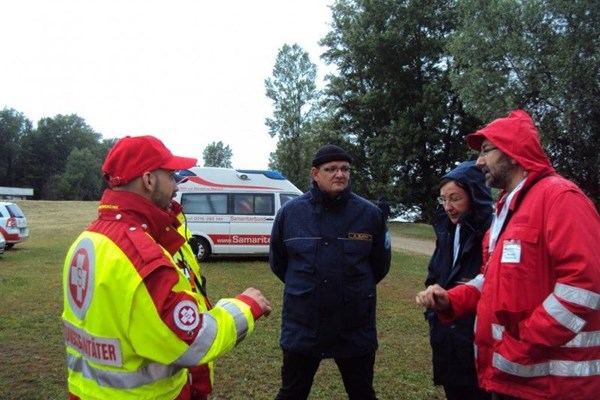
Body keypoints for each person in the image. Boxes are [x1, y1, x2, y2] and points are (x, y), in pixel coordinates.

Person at [62, 135, 272, 400]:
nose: (176, 186)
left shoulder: (88, 239)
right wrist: (246, 307)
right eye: (171, 176)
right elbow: (192, 341)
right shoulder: (140, 255)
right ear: (149, 180)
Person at [416, 110, 600, 400]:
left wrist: (524, 342)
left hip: (554, 384)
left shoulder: (560, 198)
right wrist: (452, 299)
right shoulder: (507, 210)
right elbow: (490, 280)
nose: (478, 161)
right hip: (513, 378)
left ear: (514, 153)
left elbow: (584, 288)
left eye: (487, 150)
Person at [269, 144, 392, 400]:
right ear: (315, 173)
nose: (340, 174)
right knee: (291, 393)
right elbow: (279, 263)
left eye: (345, 169)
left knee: (362, 393)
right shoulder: (291, 214)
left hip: (354, 325)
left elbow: (379, 266)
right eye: (332, 169)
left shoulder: (369, 215)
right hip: (303, 324)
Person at [424, 161, 493, 400]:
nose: (449, 207)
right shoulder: (446, 231)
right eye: (444, 200)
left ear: (475, 196)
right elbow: (435, 273)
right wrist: (432, 306)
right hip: (447, 338)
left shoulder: (492, 233)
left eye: (455, 198)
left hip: (476, 341)